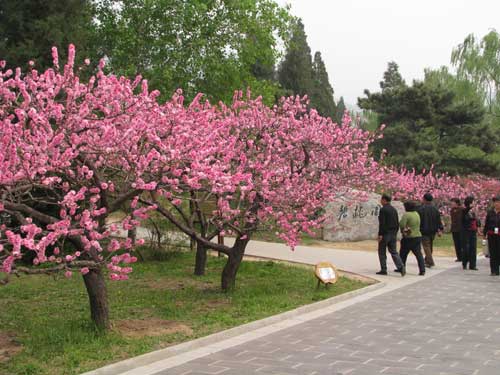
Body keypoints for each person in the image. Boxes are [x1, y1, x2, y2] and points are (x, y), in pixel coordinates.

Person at [377, 194, 405, 276]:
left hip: (385, 234)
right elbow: (397, 222)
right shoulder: (394, 209)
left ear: (384, 200)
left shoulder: (383, 210)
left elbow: (382, 223)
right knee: (394, 251)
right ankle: (401, 267)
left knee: (382, 251)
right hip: (393, 233)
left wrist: (380, 234)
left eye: (381, 199)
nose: (381, 201)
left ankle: (383, 269)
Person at [399, 201, 425, 275]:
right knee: (418, 254)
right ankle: (422, 269)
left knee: (403, 254)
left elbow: (402, 224)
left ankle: (402, 268)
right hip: (417, 236)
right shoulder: (416, 214)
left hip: (408, 237)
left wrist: (402, 230)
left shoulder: (407, 215)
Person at [418, 193, 444, 268]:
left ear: (424, 199)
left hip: (424, 229)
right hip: (433, 230)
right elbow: (438, 220)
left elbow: (420, 220)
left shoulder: (421, 209)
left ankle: (430, 261)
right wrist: (440, 229)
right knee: (430, 245)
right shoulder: (435, 209)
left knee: (426, 246)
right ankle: (427, 259)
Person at [483, 196, 500, 276]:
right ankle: (493, 270)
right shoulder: (490, 213)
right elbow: (486, 224)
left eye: (498, 202)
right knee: (492, 253)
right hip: (491, 235)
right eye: (495, 202)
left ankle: (497, 269)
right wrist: (484, 233)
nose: (497, 204)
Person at [462, 196, 479, 270]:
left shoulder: (473, 212)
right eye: (473, 202)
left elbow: (477, 221)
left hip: (473, 231)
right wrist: (469, 208)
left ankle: (473, 265)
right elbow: (464, 216)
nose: (474, 203)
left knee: (473, 248)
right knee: (466, 248)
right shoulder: (464, 210)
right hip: (466, 232)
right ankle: (465, 262)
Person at [450, 198, 464, 262]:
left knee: (461, 243)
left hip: (461, 229)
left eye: (452, 202)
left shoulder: (461, 209)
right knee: (456, 244)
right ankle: (459, 257)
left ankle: (463, 256)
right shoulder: (452, 210)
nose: (451, 204)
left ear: (457, 203)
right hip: (454, 229)